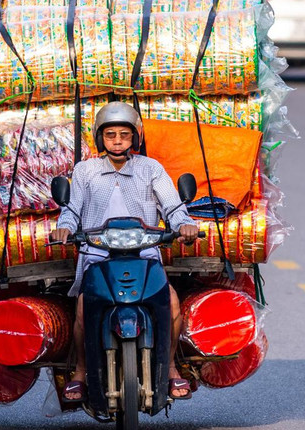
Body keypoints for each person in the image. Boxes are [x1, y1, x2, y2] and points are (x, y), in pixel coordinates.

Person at [52, 102, 200, 403]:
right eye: (110, 135)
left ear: (136, 137)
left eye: (124, 134)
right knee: (83, 308)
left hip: (143, 254)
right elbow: (71, 209)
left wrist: (184, 224)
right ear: (99, 138)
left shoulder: (151, 169)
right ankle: (80, 372)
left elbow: (172, 206)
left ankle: (171, 367)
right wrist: (64, 228)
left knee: (171, 304)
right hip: (98, 255)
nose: (117, 140)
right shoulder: (85, 171)